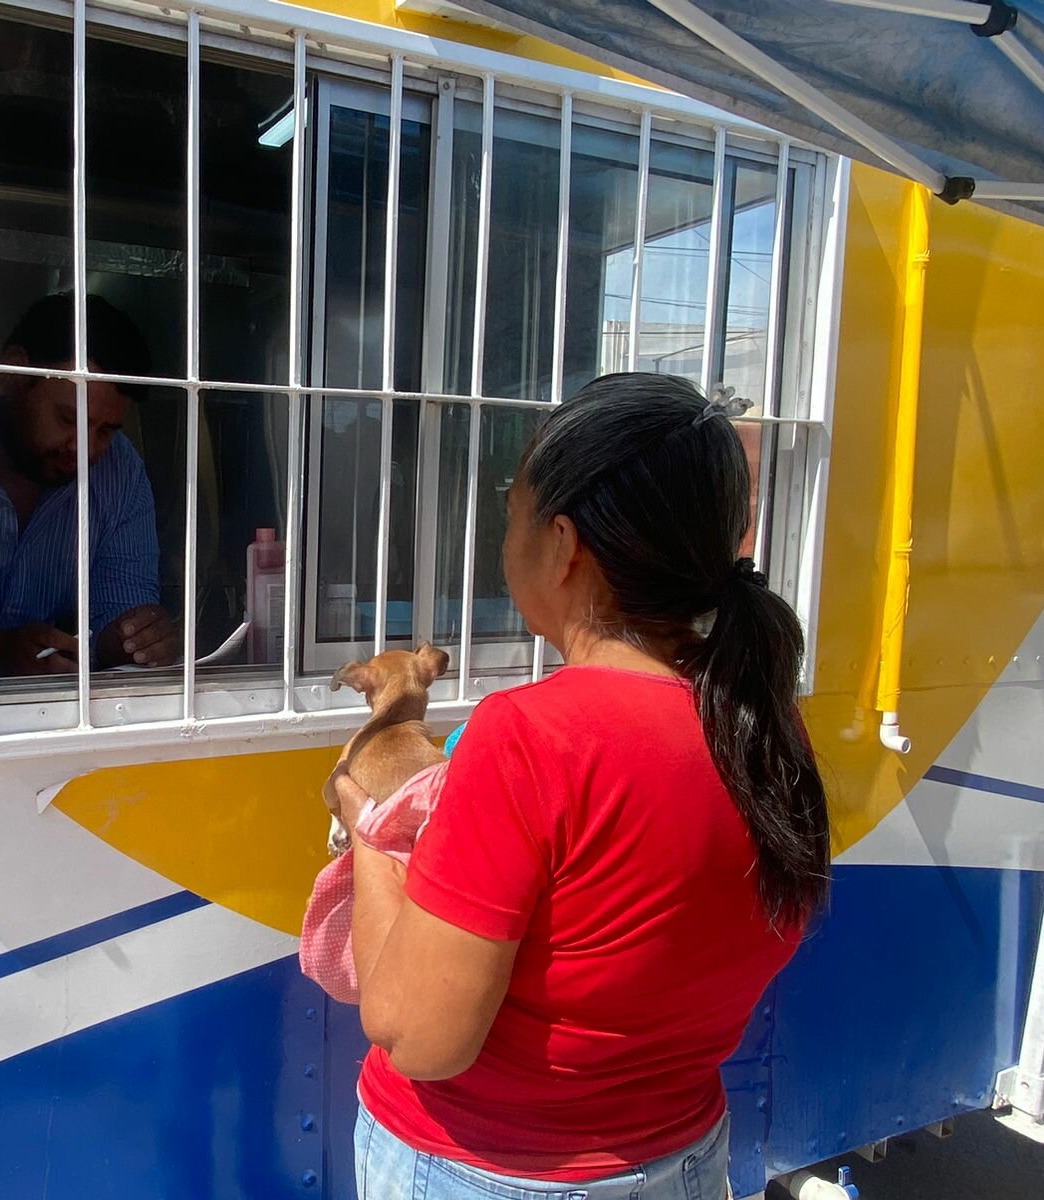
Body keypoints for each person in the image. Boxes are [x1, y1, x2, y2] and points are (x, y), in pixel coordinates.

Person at [330, 373, 831, 1199]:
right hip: (683, 1159)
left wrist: (370, 833)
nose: (505, 544)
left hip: (487, 1169)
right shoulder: (764, 728)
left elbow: (415, 1036)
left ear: (563, 544)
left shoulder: (529, 737)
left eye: (511, 518)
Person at [0, 293, 179, 680]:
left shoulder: (120, 471)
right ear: (12, 373)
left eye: (105, 430)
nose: (85, 449)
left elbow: (118, 616)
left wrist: (137, 639)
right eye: (69, 418)